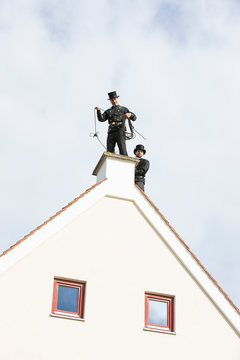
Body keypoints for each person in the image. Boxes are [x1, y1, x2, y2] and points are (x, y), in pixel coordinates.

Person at [95, 91, 136, 156]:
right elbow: (101, 119)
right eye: (112, 100)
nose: (113, 101)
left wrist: (130, 114)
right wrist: (98, 111)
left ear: (117, 99)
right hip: (111, 131)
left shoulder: (123, 109)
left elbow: (134, 118)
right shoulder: (108, 111)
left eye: (114, 99)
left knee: (122, 148)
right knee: (109, 149)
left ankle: (125, 161)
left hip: (120, 129)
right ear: (110, 101)